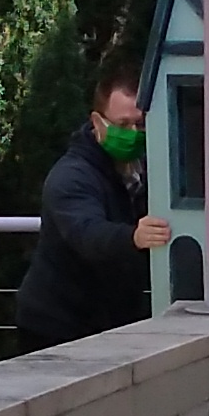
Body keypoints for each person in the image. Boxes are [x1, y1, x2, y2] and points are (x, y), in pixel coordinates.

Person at [14, 70, 173, 351]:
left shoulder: (147, 166)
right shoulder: (70, 177)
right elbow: (87, 234)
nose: (133, 133)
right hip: (56, 325)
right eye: (123, 124)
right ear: (97, 123)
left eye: (140, 124)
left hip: (110, 322)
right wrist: (133, 237)